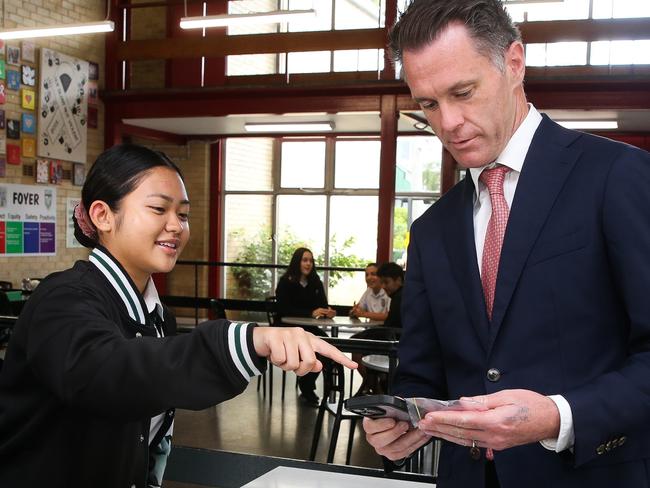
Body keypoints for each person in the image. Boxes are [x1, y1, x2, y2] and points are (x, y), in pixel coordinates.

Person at [362, 1, 650, 488]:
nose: (448, 123)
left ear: (514, 63)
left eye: (463, 92)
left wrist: (560, 416)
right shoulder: (432, 229)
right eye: (429, 104)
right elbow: (422, 372)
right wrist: (402, 419)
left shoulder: (615, 176)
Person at [0, 144, 356, 488]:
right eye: (159, 209)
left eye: (183, 215)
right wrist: (248, 340)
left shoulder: (156, 316)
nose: (176, 226)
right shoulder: (62, 298)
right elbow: (108, 371)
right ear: (102, 215)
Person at [275, 247, 334, 406]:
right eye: (304, 260)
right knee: (313, 347)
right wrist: (310, 312)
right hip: (287, 329)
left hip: (308, 328)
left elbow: (322, 305)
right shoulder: (286, 281)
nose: (308, 264)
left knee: (327, 346)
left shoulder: (315, 281)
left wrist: (327, 312)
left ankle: (325, 388)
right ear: (297, 262)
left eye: (311, 261)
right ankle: (307, 388)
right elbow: (283, 309)